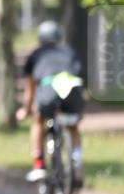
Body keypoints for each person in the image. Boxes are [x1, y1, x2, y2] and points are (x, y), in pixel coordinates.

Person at [16, 20, 85, 185]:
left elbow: (30, 89)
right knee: (72, 125)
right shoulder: (70, 52)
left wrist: (25, 109)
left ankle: (38, 163)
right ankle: (76, 160)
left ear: (40, 38)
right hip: (72, 90)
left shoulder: (36, 55)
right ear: (60, 37)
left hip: (48, 91)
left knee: (38, 120)